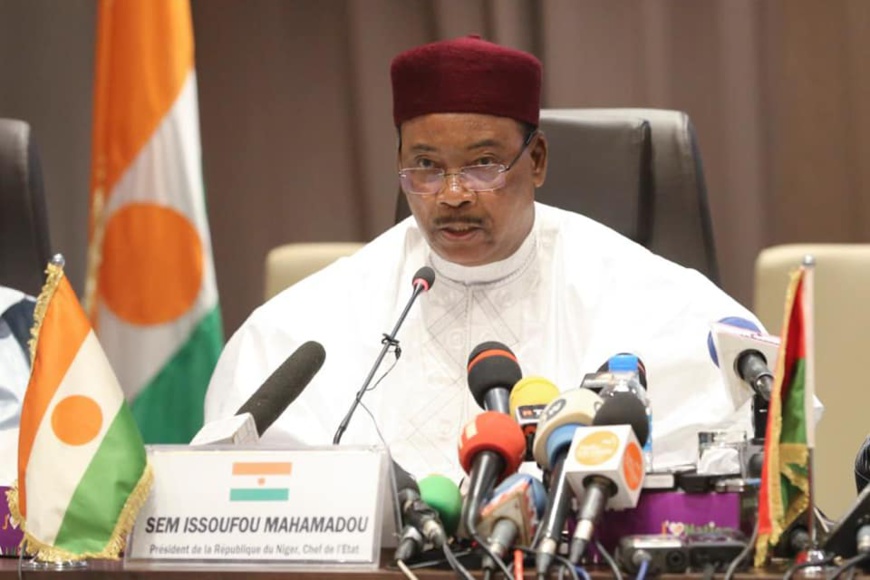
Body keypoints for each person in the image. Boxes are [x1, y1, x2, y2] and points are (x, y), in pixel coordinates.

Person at [205, 36, 760, 482]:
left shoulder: (647, 296)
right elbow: (226, 476)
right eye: (425, 166)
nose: (452, 195)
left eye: (483, 164)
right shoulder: (307, 322)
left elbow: (751, 425)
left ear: (536, 160)